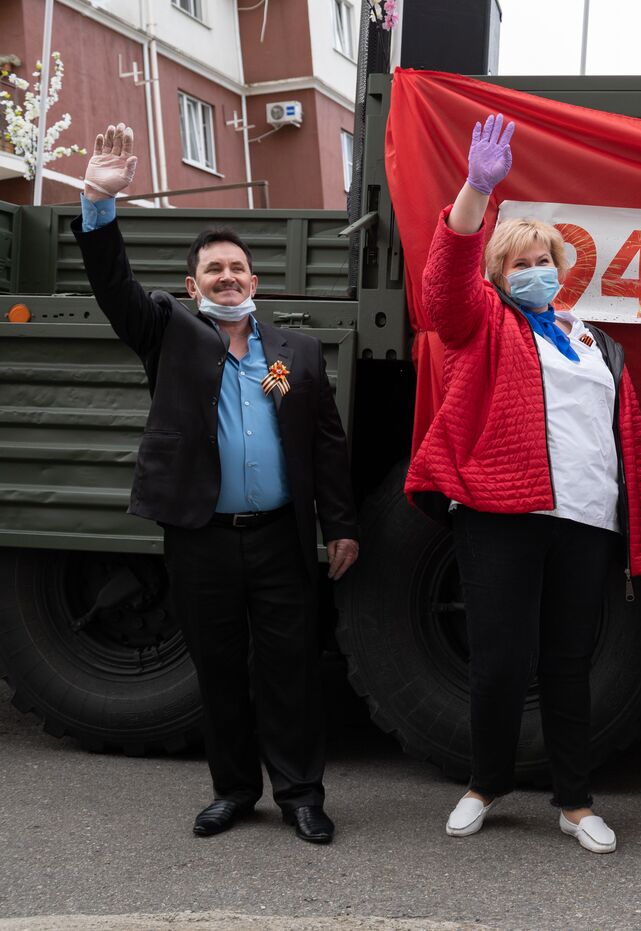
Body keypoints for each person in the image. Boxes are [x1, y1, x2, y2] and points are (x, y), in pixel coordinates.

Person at [73, 123, 360, 844]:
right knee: (220, 669)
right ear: (192, 284)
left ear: (254, 281)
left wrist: (342, 523)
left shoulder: (294, 351)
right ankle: (235, 790)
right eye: (213, 271)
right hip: (201, 536)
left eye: (237, 268)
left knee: (291, 667)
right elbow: (114, 288)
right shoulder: (168, 330)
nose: (227, 278)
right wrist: (99, 207)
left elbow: (326, 442)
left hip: (280, 539)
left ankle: (300, 793)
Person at [405, 114, 641, 855]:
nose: (534, 269)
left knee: (567, 663)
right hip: (499, 513)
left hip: (584, 520)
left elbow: (630, 442)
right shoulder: (480, 320)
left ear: (563, 266)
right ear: (498, 274)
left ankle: (575, 801)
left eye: (543, 258)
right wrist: (474, 191)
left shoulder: (595, 341)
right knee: (498, 659)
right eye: (518, 261)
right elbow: (442, 286)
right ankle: (484, 783)